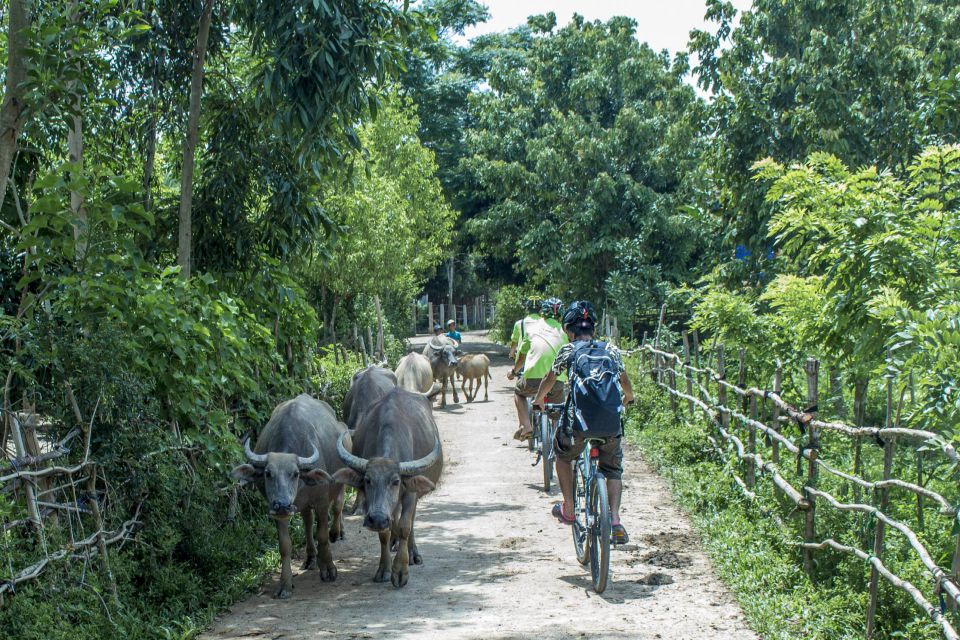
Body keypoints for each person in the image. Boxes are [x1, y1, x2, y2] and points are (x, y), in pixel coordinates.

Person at [533, 300, 634, 545]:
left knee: (563, 456)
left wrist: (538, 400)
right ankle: (615, 520)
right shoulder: (610, 350)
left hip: (578, 426)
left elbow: (550, 379)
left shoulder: (568, 351)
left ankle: (568, 506)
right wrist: (629, 398)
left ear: (569, 330)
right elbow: (625, 383)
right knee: (613, 470)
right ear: (594, 329)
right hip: (610, 426)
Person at [508, 298, 567, 441]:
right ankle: (557, 436)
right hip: (556, 381)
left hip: (533, 379)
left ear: (542, 313)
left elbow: (521, 355)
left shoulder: (532, 329)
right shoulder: (565, 332)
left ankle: (527, 426)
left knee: (519, 393)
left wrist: (515, 371)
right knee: (557, 412)